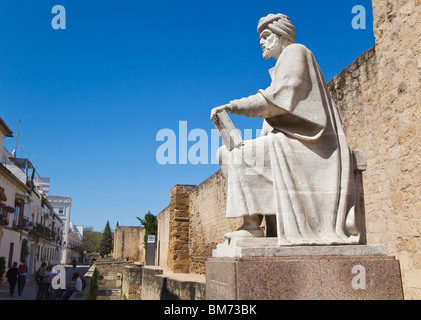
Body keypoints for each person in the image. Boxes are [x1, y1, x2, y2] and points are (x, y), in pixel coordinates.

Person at [211, 13, 362, 245]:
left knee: (241, 153)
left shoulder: (296, 52)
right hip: (293, 141)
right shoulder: (281, 66)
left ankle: (252, 227)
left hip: (313, 145)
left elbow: (278, 99)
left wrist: (233, 106)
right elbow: (277, 105)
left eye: (266, 35)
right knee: (225, 153)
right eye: (260, 37)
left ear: (281, 36)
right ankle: (252, 221)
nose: (261, 42)